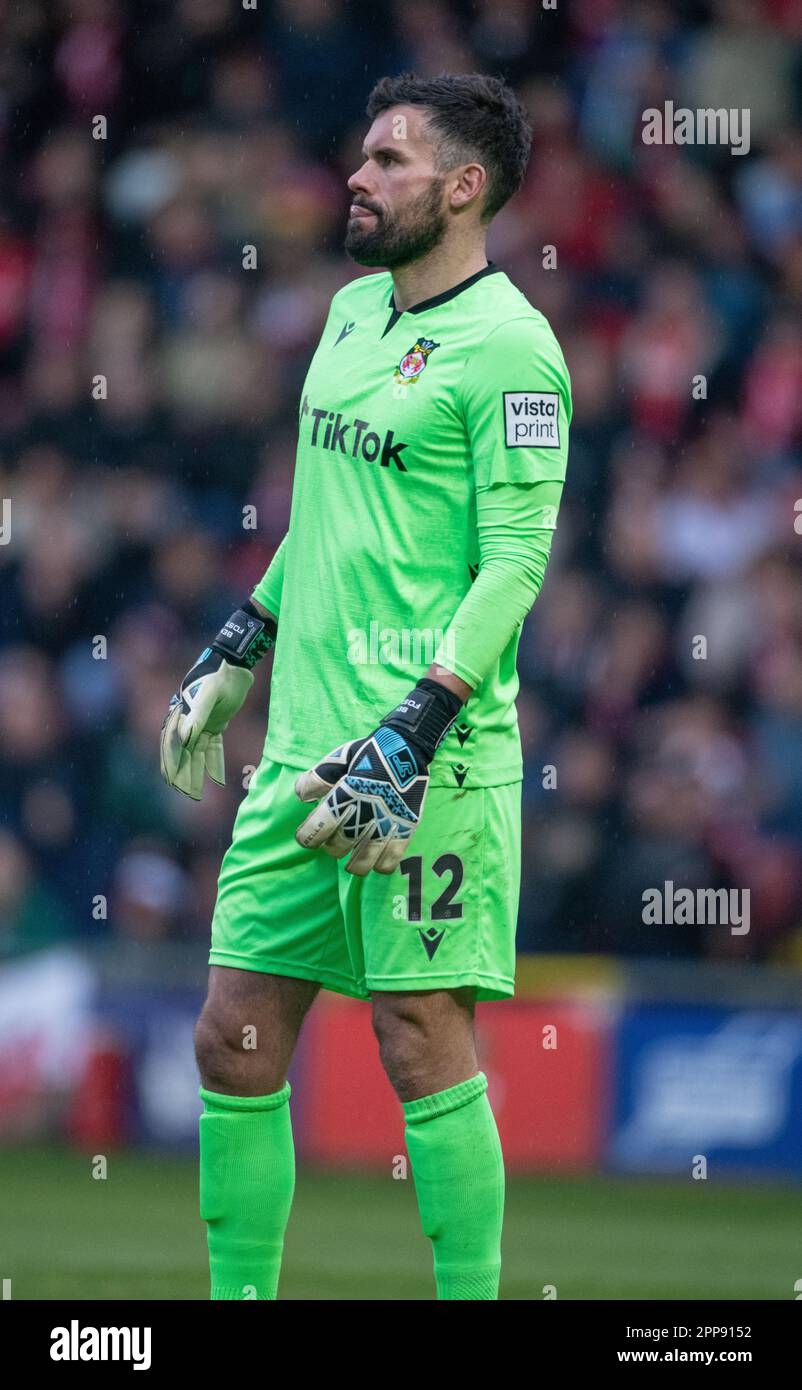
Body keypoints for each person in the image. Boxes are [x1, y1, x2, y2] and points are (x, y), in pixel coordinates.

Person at [161, 71, 572, 1301]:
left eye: (389, 160)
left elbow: (516, 562)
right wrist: (243, 634)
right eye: (362, 155)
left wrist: (420, 717)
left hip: (428, 755)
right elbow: (325, 517)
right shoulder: (348, 315)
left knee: (417, 1038)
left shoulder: (515, 349)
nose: (358, 175)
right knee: (232, 1034)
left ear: (463, 187)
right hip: (300, 750)